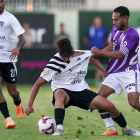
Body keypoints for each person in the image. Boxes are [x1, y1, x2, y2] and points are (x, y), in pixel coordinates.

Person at [25, 37, 140, 136]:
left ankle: (126, 129)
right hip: (64, 92)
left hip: (81, 91)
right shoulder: (54, 62)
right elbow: (37, 84)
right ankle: (59, 129)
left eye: (68, 56)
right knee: (59, 93)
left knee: (109, 106)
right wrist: (29, 105)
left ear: (72, 51)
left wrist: (102, 71)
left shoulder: (80, 54)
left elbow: (91, 57)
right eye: (63, 56)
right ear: (57, 51)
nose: (65, 59)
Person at [91, 6, 140, 135]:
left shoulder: (133, 34)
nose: (114, 22)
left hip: (130, 72)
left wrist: (100, 53)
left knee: (134, 103)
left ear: (125, 18)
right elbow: (113, 46)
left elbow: (120, 54)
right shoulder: (115, 29)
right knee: (99, 98)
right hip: (115, 72)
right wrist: (97, 54)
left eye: (116, 20)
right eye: (113, 19)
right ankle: (111, 129)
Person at [0, 0, 26, 129]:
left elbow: (23, 38)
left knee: (13, 92)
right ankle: (8, 119)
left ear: (4, 2)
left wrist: (17, 48)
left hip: (9, 60)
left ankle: (17, 102)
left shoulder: (10, 18)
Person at [83, 17, 109, 85]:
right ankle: (99, 80)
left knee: (99, 65)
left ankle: (98, 81)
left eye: (98, 22)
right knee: (98, 64)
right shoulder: (90, 29)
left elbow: (106, 40)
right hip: (92, 52)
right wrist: (90, 47)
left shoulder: (103, 30)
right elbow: (86, 39)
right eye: (96, 22)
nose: (97, 24)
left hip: (101, 51)